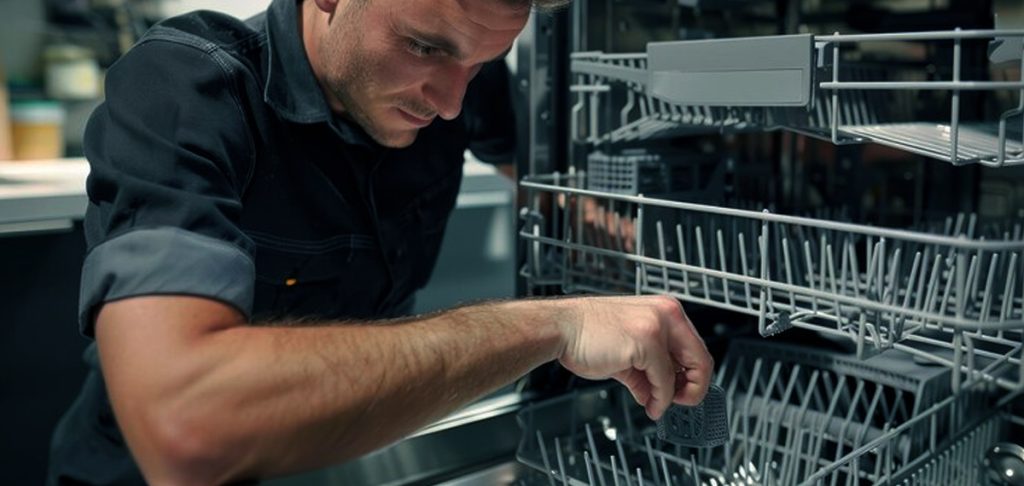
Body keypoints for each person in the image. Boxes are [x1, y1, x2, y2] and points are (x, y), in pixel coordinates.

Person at [47, 0, 714, 484]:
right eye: (426, 47)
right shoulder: (186, 91)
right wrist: (556, 326)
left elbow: (560, 199)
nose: (450, 103)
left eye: (484, 62)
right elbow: (187, 426)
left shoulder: (454, 83)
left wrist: (668, 268)